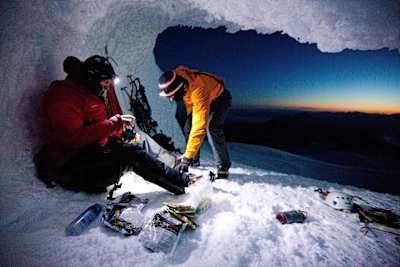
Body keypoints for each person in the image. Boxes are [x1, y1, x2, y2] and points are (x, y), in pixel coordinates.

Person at [34, 55, 198, 194]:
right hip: (72, 167)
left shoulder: (87, 92)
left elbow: (95, 127)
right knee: (131, 154)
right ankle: (182, 183)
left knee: (136, 140)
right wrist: (114, 124)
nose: (106, 88)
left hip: (91, 154)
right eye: (105, 83)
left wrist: (121, 133)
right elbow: (72, 139)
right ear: (93, 78)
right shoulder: (64, 98)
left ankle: (175, 171)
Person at [158, 66, 232, 178]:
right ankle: (194, 160)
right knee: (188, 127)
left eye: (172, 96)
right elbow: (188, 99)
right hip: (201, 100)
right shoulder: (180, 79)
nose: (171, 99)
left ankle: (223, 166)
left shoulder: (198, 90)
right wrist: (190, 117)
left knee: (212, 128)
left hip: (220, 100)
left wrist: (186, 158)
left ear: (179, 89)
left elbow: (199, 127)